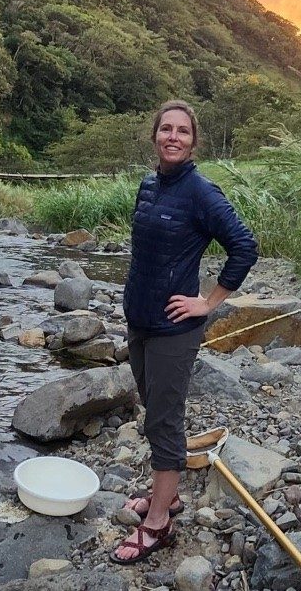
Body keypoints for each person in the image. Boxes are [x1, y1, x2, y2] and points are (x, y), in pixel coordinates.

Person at [110, 100, 258, 564]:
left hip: (175, 328)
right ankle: (167, 496)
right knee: (154, 407)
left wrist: (208, 302)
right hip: (140, 319)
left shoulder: (200, 192)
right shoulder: (148, 185)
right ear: (154, 135)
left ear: (194, 142)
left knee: (164, 419)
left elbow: (244, 246)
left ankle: (159, 523)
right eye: (166, 129)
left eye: (183, 132)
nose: (173, 137)